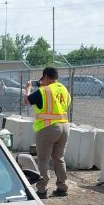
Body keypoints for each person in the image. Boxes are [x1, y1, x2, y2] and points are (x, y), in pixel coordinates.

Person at [24, 66, 71, 198]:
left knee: (43, 160)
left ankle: (42, 189)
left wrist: (27, 89)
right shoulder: (64, 89)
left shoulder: (43, 91)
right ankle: (62, 187)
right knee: (59, 158)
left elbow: (26, 101)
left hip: (48, 128)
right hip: (64, 126)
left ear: (44, 76)